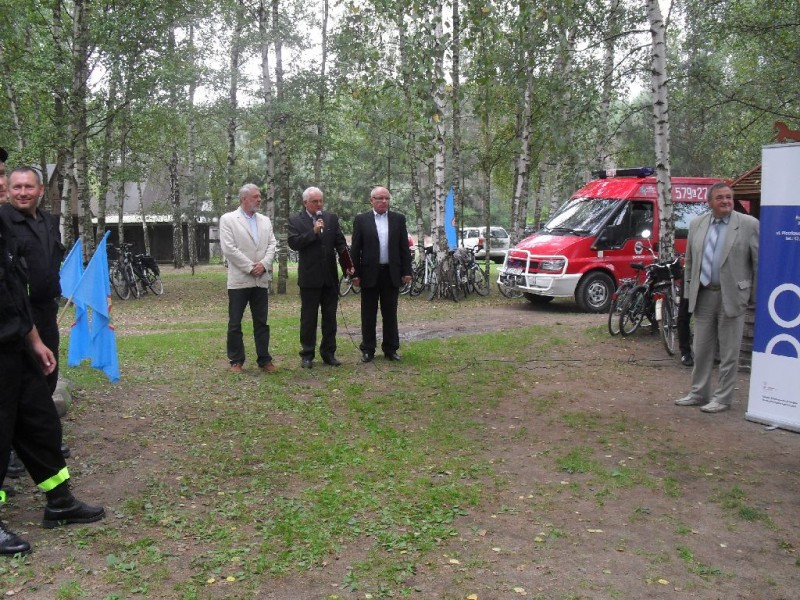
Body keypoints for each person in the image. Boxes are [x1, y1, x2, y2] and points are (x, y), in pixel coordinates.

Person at [1, 219, 105, 556]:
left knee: (41, 422)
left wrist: (34, 340)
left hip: (16, 345)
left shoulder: (3, 231)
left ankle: (59, 501)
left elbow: (15, 293)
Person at [1, 167, 69, 486]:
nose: (22, 192)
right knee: (18, 384)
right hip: (18, 314)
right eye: (16, 187)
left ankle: (40, 441)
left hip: (45, 309)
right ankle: (14, 449)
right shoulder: (4, 221)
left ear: (41, 190)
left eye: (29, 187)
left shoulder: (49, 221)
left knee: (48, 371)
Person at [675, 183, 759, 413]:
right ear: (709, 202)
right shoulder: (697, 224)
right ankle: (698, 393)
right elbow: (690, 262)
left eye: (729, 197)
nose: (726, 201)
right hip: (703, 294)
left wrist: (752, 297)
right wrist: (688, 293)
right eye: (720, 197)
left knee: (729, 351)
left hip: (732, 295)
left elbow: (758, 263)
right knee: (701, 348)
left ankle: (723, 398)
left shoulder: (749, 224)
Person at [287, 187, 353, 368]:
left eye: (320, 201)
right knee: (309, 318)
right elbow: (294, 243)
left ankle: (328, 353)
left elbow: (340, 243)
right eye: (314, 201)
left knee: (330, 318)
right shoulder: (295, 220)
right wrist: (313, 232)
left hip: (329, 277)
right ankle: (307, 354)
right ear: (305, 203)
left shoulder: (331, 218)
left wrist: (348, 265)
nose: (318, 205)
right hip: (309, 278)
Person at [219, 183, 278, 373]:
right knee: (235, 322)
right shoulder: (228, 219)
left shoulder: (265, 221)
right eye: (255, 196)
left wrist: (264, 264)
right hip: (239, 280)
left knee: (261, 322)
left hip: (260, 280)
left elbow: (272, 245)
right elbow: (229, 248)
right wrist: (250, 267)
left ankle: (264, 360)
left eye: (260, 196)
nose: (259, 199)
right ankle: (236, 361)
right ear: (244, 198)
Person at [350, 186, 413, 362]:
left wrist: (407, 271)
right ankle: (368, 349)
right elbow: (355, 249)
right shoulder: (361, 220)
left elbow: (404, 248)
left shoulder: (398, 219)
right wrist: (354, 273)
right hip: (369, 273)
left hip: (391, 273)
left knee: (390, 313)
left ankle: (390, 349)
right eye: (380, 198)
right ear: (371, 200)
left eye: (386, 198)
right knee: (368, 314)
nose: (384, 201)